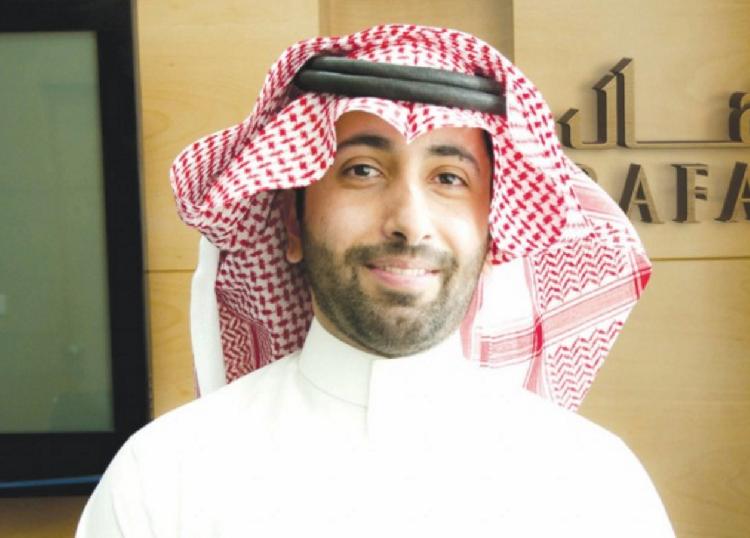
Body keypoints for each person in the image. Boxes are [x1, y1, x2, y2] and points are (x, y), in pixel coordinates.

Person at [77, 24, 674, 537]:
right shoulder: (167, 477)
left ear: (496, 235)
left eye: (449, 178)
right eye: (362, 170)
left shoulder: (591, 484)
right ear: (291, 222)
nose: (409, 221)